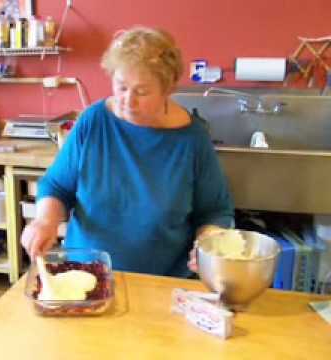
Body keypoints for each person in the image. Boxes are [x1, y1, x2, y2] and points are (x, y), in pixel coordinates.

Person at [21, 26, 234, 277]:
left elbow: (214, 211)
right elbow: (57, 186)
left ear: (167, 90)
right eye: (121, 87)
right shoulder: (93, 121)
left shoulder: (192, 139)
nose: (128, 100)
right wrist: (45, 220)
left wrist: (208, 243)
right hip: (85, 274)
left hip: (161, 282)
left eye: (142, 92)